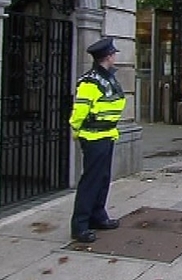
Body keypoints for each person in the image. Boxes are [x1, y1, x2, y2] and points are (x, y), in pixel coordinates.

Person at [69, 37, 126, 243]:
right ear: (108, 56)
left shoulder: (107, 76)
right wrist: (77, 130)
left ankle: (98, 216)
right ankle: (80, 225)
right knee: (91, 181)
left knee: (102, 179)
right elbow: (80, 109)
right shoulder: (90, 81)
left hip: (107, 134)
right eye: (113, 54)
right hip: (94, 137)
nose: (115, 57)